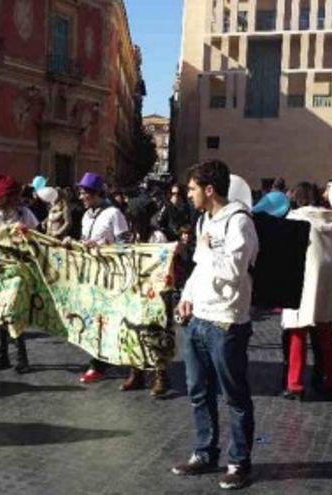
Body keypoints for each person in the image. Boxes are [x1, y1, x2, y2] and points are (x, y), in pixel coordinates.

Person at [170, 160, 258, 490]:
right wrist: (187, 295)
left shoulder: (240, 223)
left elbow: (234, 271)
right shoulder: (204, 219)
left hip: (227, 322)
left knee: (234, 396)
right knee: (198, 391)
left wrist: (207, 250)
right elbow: (198, 268)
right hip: (199, 319)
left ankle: (239, 462)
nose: (188, 194)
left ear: (209, 190)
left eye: (192, 188)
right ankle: (205, 452)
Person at [280, 182, 332, 401]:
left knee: (298, 332)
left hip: (304, 279)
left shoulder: (296, 218)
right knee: (326, 331)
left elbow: (287, 251)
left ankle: (295, 384)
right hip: (330, 279)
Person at [71, 172, 130, 384]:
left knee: (104, 320)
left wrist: (105, 248)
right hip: (91, 274)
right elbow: (85, 240)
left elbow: (125, 245)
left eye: (84, 192)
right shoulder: (86, 215)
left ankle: (98, 364)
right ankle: (106, 359)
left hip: (111, 275)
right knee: (94, 319)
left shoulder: (114, 214)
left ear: (95, 193)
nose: (81, 196)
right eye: (80, 192)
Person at [0, 175, 40, 373]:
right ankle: (3, 356)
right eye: (14, 196)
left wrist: (27, 237)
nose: (18, 199)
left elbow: (37, 235)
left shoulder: (24, 213)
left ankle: (21, 357)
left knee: (14, 309)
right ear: (5, 197)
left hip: (20, 268)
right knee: (1, 312)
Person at [119, 196, 171, 397]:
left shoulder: (157, 237)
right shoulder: (132, 236)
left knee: (156, 335)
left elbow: (163, 264)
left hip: (155, 293)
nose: (132, 222)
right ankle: (136, 373)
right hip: (135, 292)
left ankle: (160, 376)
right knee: (132, 332)